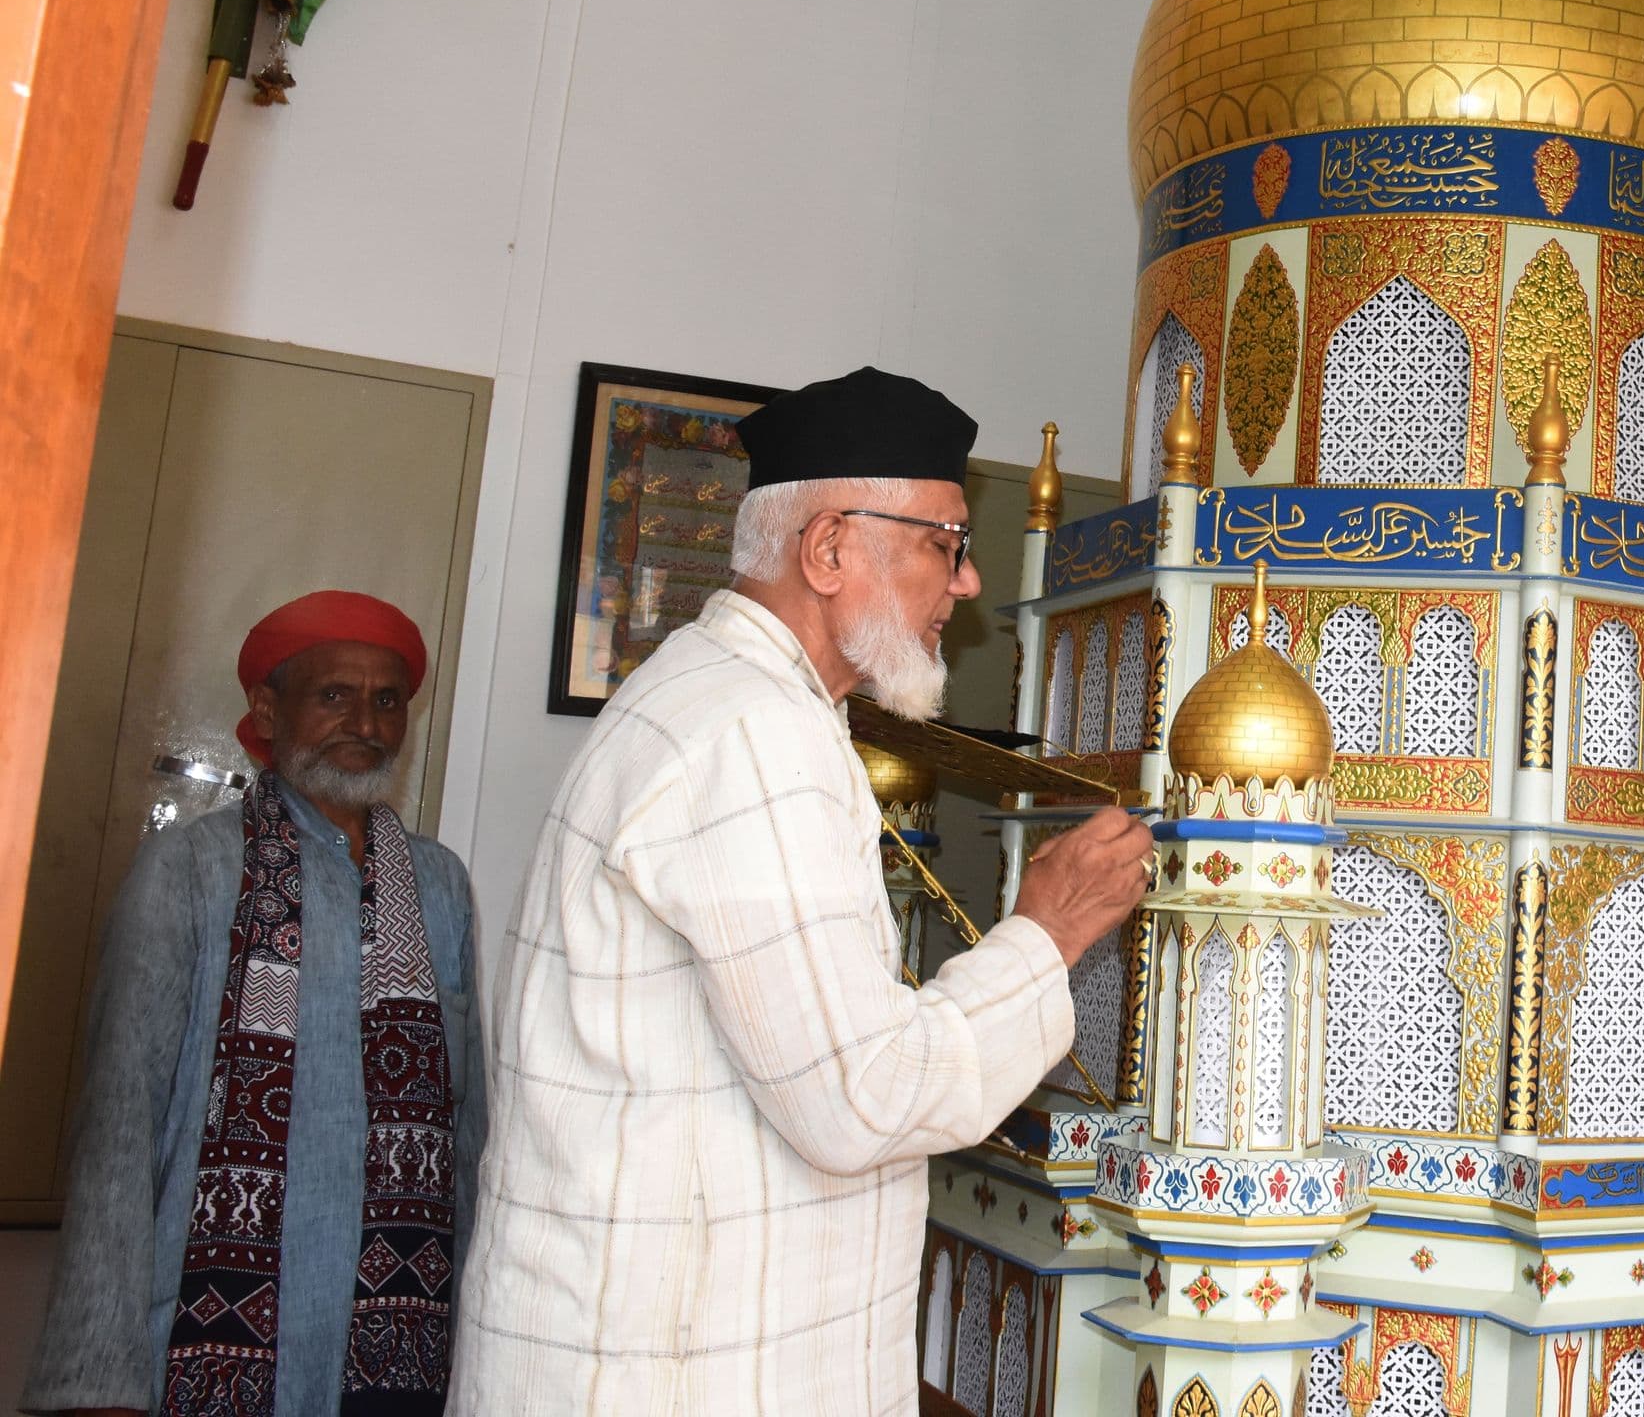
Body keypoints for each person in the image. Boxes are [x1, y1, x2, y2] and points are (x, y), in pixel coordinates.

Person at [450, 367, 1152, 1414]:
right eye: (944, 544)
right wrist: (1045, 933)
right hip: (671, 1375)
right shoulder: (750, 732)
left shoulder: (734, 700)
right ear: (828, 548)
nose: (964, 585)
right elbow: (862, 1098)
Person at [23, 591, 483, 1417]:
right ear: (266, 712)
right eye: (333, 694)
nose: (366, 724)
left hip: (399, 1343)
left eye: (387, 700)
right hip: (208, 1331)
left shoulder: (438, 884)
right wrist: (100, 1377)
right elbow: (119, 1128)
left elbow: (469, 1124)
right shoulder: (189, 871)